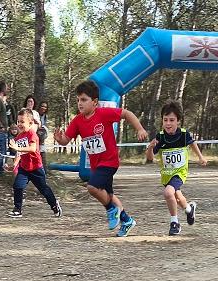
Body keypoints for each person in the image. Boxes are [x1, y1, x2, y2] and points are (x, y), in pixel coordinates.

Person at [54, 80, 148, 237]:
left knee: (92, 187)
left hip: (110, 161)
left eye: (84, 99)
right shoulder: (77, 121)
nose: (80, 103)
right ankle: (127, 220)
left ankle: (111, 210)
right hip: (96, 165)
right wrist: (59, 139)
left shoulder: (103, 114)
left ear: (95, 102)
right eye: (78, 100)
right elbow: (66, 140)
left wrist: (139, 129)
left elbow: (126, 113)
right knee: (108, 195)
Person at [145, 100, 206, 236]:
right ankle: (189, 209)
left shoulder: (184, 134)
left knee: (168, 193)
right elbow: (150, 157)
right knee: (177, 196)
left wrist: (200, 157)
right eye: (165, 120)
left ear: (178, 121)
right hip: (166, 173)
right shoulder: (160, 137)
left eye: (171, 120)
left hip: (180, 172)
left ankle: (174, 223)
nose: (168, 123)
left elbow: (192, 143)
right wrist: (150, 148)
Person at [7, 109, 61, 219]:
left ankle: (54, 205)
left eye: (22, 122)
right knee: (17, 186)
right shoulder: (18, 137)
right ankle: (17, 209)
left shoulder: (32, 134)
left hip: (36, 168)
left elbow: (32, 148)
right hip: (24, 168)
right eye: (18, 121)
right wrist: (14, 164)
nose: (19, 124)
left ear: (30, 123)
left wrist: (17, 147)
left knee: (43, 189)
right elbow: (19, 153)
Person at [37, 100, 49, 165]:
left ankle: (44, 169)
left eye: (45, 107)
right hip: (35, 137)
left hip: (42, 137)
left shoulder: (45, 116)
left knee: (43, 155)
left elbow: (45, 127)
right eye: (42, 106)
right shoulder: (35, 114)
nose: (43, 108)